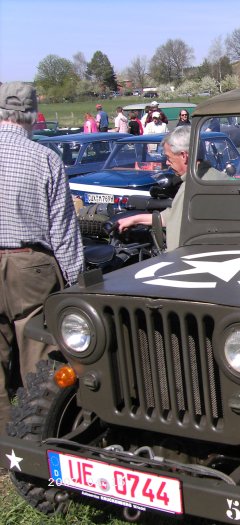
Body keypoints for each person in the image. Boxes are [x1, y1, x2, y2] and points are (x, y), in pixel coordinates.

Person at [0, 82, 83, 434]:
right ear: (32, 116)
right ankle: (38, 435)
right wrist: (76, 281)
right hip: (29, 263)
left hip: (23, 259)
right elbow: (62, 229)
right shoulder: (44, 157)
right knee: (38, 351)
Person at [117, 126, 190, 248]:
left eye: (168, 158)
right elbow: (170, 216)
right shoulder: (193, 182)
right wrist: (135, 219)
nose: (167, 163)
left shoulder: (194, 188)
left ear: (183, 156)